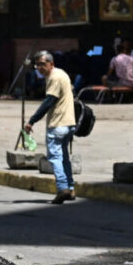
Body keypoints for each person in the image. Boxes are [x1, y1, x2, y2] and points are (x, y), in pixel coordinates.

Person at [24, 51, 77, 205]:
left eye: (42, 64)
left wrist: (32, 121)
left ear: (51, 64)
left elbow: (49, 101)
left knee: (55, 158)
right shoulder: (61, 74)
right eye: (37, 65)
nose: (39, 67)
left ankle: (62, 189)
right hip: (68, 123)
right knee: (65, 158)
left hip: (58, 124)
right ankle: (71, 188)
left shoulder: (54, 77)